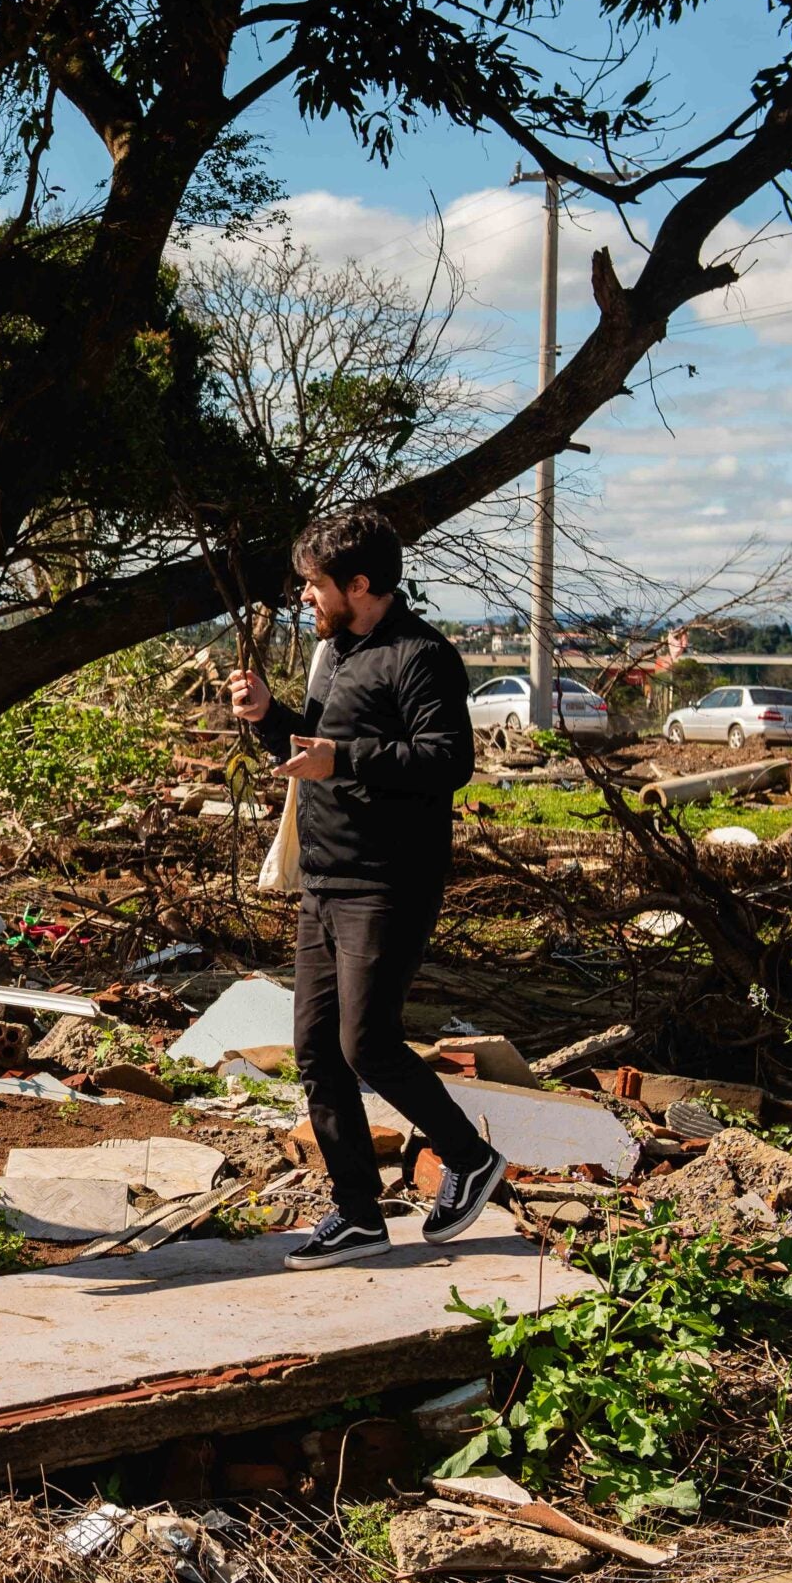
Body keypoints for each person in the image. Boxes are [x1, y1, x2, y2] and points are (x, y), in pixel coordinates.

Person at [226, 506, 507, 1270]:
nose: (305, 598)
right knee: (316, 1050)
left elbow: (447, 759)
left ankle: (469, 1157)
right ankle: (357, 1214)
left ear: (360, 583)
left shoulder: (423, 656)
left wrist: (343, 759)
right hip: (324, 878)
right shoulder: (336, 654)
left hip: (388, 882)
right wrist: (266, 718)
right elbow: (316, 746)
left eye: (315, 585)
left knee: (367, 1042)